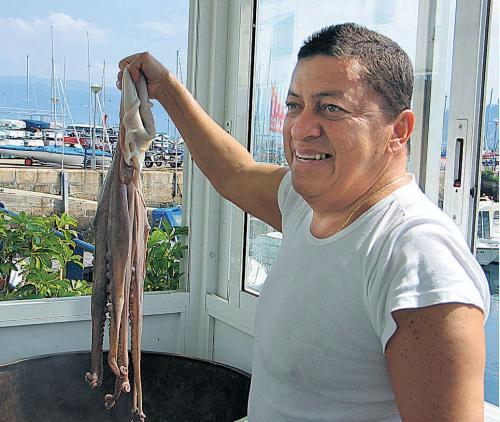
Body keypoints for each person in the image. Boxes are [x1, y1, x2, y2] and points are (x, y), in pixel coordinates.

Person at [118, 23, 489, 421]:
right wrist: (166, 89)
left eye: (331, 108)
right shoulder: (306, 204)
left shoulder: (417, 258)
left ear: (398, 131)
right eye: (295, 105)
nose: (301, 129)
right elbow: (235, 173)